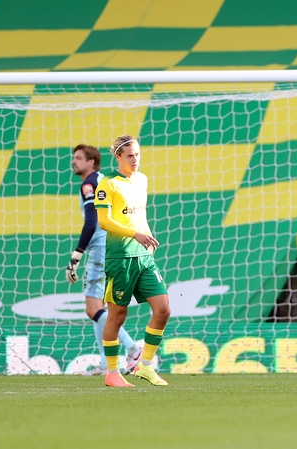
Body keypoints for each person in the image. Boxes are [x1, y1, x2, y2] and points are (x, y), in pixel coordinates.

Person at [94, 135, 171, 387]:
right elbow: (104, 221)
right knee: (117, 316)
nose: (135, 159)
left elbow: (140, 215)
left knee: (163, 309)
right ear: (118, 157)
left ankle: (145, 366)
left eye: (137, 154)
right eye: (129, 155)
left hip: (144, 256)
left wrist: (146, 236)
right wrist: (134, 234)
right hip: (121, 257)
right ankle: (113, 374)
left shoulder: (142, 180)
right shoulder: (107, 184)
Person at [65, 144, 142, 376]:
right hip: (117, 245)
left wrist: (76, 256)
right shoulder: (108, 180)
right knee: (102, 308)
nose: (73, 162)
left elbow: (91, 223)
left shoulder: (89, 184)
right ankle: (106, 363)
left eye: (78, 158)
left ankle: (133, 348)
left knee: (92, 308)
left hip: (100, 248)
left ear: (91, 162)